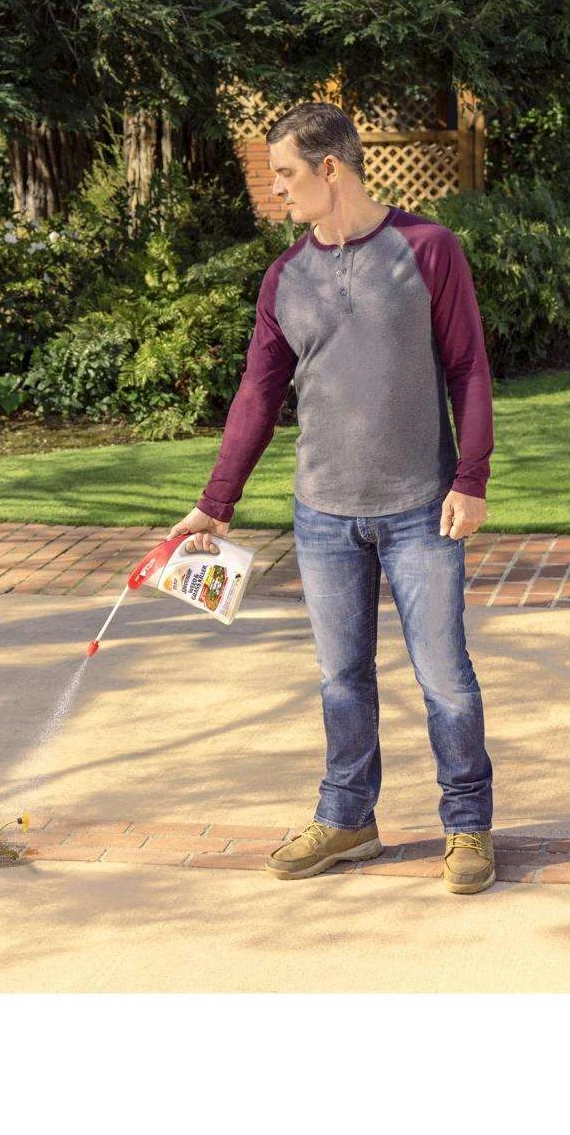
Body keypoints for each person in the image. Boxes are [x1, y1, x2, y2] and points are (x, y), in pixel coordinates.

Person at [168, 102, 496, 894]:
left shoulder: (428, 249)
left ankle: (468, 825)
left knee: (444, 677)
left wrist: (471, 478)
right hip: (322, 514)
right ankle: (348, 819)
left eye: (284, 173)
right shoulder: (285, 277)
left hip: (421, 509)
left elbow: (468, 368)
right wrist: (216, 502)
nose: (276, 190)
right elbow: (257, 393)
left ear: (329, 169)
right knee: (341, 677)